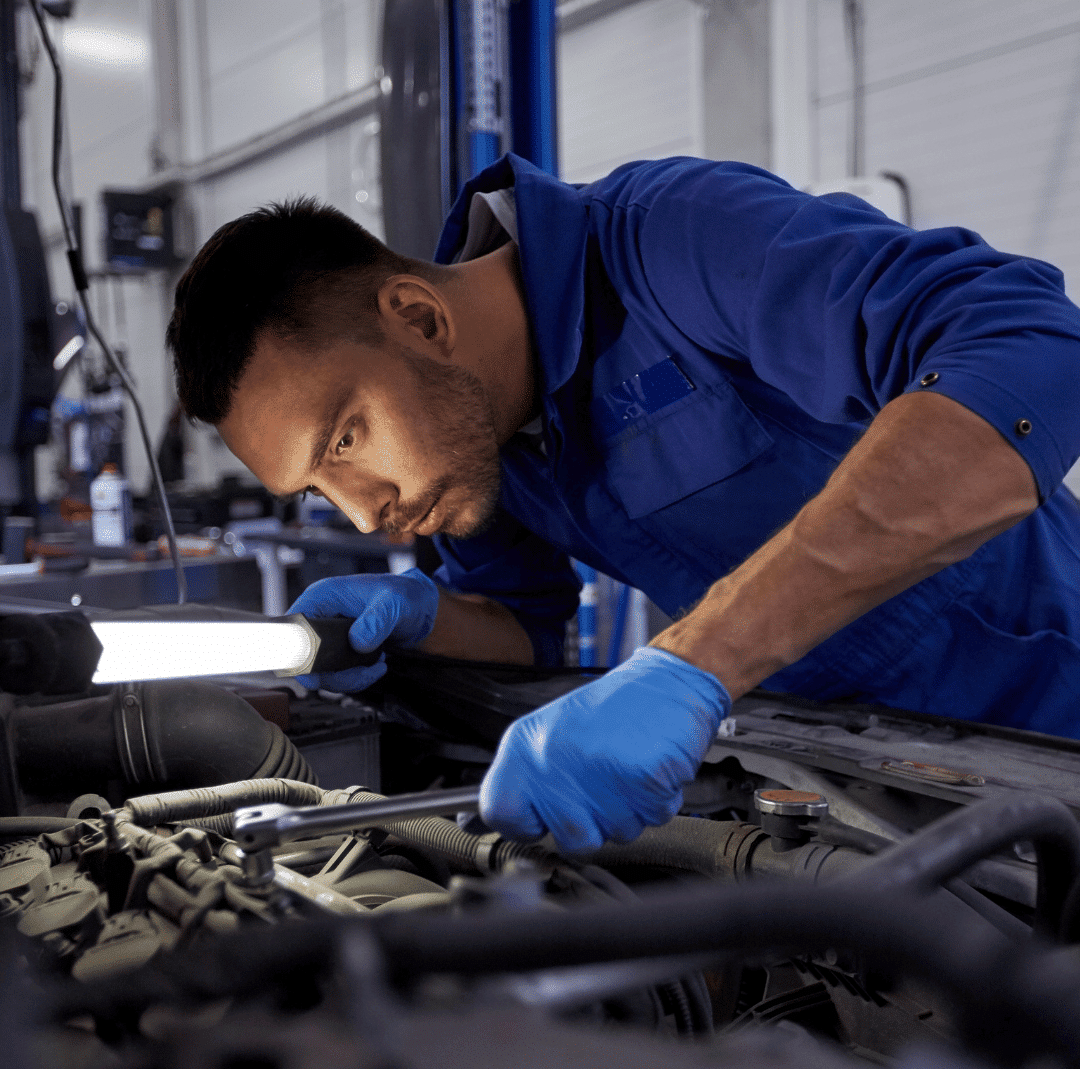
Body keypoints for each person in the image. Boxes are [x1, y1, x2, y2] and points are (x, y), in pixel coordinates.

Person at [167, 154, 1080, 853]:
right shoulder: (481, 447)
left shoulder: (673, 240)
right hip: (832, 777)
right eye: (318, 485)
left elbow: (1029, 346)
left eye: (344, 440)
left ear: (417, 316)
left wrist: (696, 660)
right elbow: (525, 633)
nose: (364, 515)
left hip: (1048, 723)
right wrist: (418, 620)